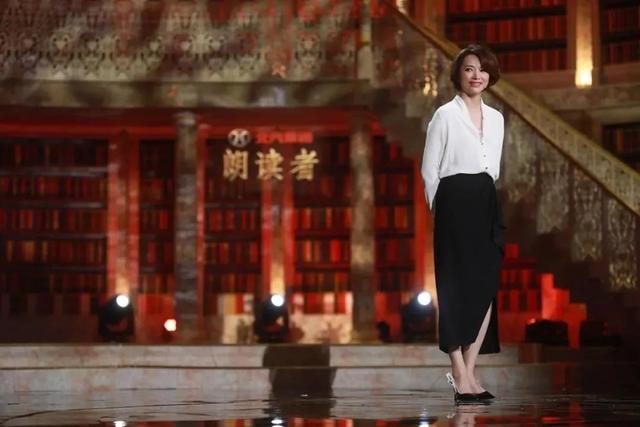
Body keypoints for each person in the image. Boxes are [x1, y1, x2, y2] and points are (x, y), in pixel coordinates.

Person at [421, 44, 505, 404]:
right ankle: (457, 371)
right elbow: (430, 170)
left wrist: (486, 196)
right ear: (459, 74)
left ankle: (470, 371)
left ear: (490, 75)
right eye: (470, 68)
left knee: (486, 285)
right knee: (454, 288)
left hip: (485, 199)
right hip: (454, 201)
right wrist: (440, 210)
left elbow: (493, 167)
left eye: (483, 69)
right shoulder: (444, 115)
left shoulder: (497, 118)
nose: (477, 75)